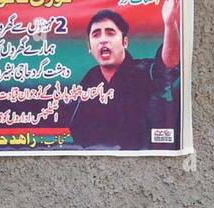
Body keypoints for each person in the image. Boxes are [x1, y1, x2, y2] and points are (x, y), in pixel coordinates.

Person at [67, 3, 181, 150]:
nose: (103, 40)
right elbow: (77, 128)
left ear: (125, 42)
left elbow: (167, 65)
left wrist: (169, 25)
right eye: (96, 34)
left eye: (110, 33)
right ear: (90, 47)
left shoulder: (143, 71)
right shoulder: (91, 78)